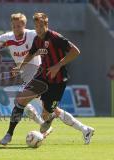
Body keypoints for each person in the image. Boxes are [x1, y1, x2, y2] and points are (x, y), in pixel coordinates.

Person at [0, 13, 52, 145]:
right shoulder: (7, 37)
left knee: (19, 101)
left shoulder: (32, 35)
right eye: (14, 26)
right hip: (25, 74)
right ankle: (75, 128)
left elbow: (47, 40)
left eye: (19, 26)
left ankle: (9, 135)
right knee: (29, 106)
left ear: (24, 26)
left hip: (39, 74)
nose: (16, 29)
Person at [18, 12, 94, 145]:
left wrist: (57, 66)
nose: (38, 29)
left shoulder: (55, 37)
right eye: (36, 26)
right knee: (21, 98)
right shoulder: (37, 39)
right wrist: (20, 67)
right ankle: (50, 117)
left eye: (41, 26)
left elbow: (75, 51)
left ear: (46, 25)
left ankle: (85, 129)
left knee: (47, 114)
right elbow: (30, 54)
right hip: (43, 76)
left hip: (57, 81)